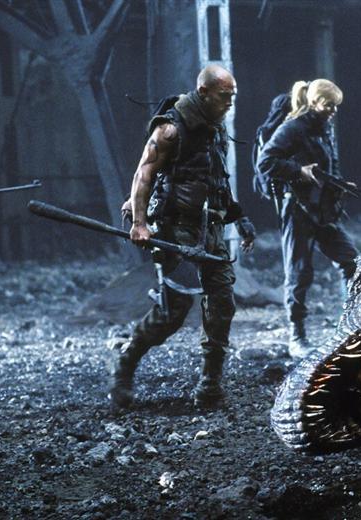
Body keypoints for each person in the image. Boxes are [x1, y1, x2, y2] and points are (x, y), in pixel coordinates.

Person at [110, 65, 256, 410]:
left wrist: (239, 217)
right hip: (176, 229)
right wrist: (140, 223)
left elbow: (216, 179)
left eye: (232, 97)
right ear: (204, 92)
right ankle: (126, 362)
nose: (229, 103)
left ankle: (210, 385)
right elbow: (144, 173)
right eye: (224, 96)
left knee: (221, 303)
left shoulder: (215, 127)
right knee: (173, 312)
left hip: (211, 230)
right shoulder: (171, 129)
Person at [256, 79, 358, 359]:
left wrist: (339, 184)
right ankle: (296, 336)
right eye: (328, 105)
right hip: (297, 210)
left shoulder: (325, 128)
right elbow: (265, 162)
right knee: (299, 273)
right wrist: (298, 172)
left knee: (350, 260)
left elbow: (330, 164)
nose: (333, 111)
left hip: (323, 210)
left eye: (336, 106)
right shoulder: (292, 128)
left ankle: (351, 325)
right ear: (313, 103)